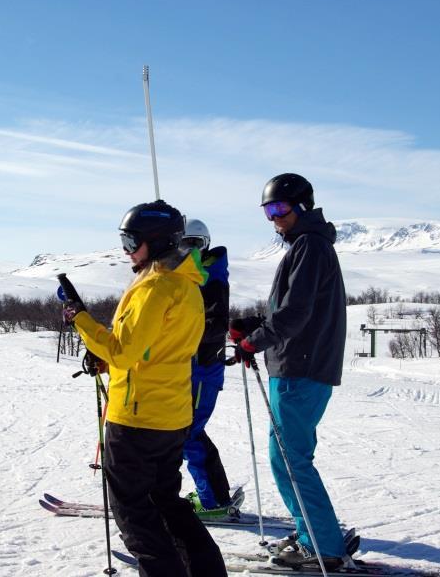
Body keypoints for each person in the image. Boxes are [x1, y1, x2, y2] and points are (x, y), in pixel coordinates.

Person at [63, 200, 227, 577]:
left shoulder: (155, 287)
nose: (125, 250)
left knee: (137, 518)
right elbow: (153, 349)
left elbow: (122, 351)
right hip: (169, 417)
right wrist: (107, 353)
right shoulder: (187, 285)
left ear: (153, 242)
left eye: (129, 240)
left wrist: (81, 320)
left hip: (136, 421)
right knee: (166, 504)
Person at [229, 173, 348, 571]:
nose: (273, 219)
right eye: (267, 211)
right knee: (289, 456)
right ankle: (312, 533)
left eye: (279, 209)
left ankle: (324, 547)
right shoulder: (306, 246)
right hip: (300, 365)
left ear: (301, 206)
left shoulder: (310, 247)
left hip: (300, 367)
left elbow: (295, 313)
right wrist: (253, 325)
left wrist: (253, 342)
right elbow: (291, 307)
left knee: (291, 459)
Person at [180, 219, 234, 516]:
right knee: (189, 433)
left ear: (206, 244)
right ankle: (215, 494)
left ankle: (212, 500)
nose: (189, 251)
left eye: (195, 244)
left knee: (189, 433)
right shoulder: (191, 276)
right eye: (183, 244)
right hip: (190, 369)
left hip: (202, 368)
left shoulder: (211, 277)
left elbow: (215, 326)